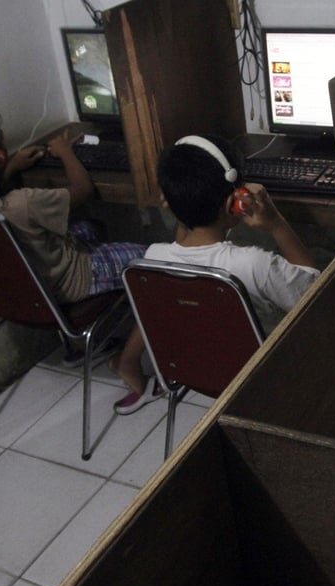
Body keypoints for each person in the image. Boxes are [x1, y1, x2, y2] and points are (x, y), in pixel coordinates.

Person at [108, 134, 320, 414]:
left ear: (167, 201)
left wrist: (180, 206)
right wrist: (276, 223)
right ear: (236, 200)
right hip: (261, 377)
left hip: (197, 373)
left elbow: (185, 242)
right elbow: (315, 293)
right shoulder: (254, 265)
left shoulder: (153, 260)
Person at [0, 104, 147, 363]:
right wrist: (65, 152)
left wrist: (12, 167)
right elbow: (83, 189)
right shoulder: (22, 203)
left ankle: (76, 346)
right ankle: (127, 360)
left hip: (16, 297)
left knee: (89, 227)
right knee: (150, 260)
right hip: (72, 281)